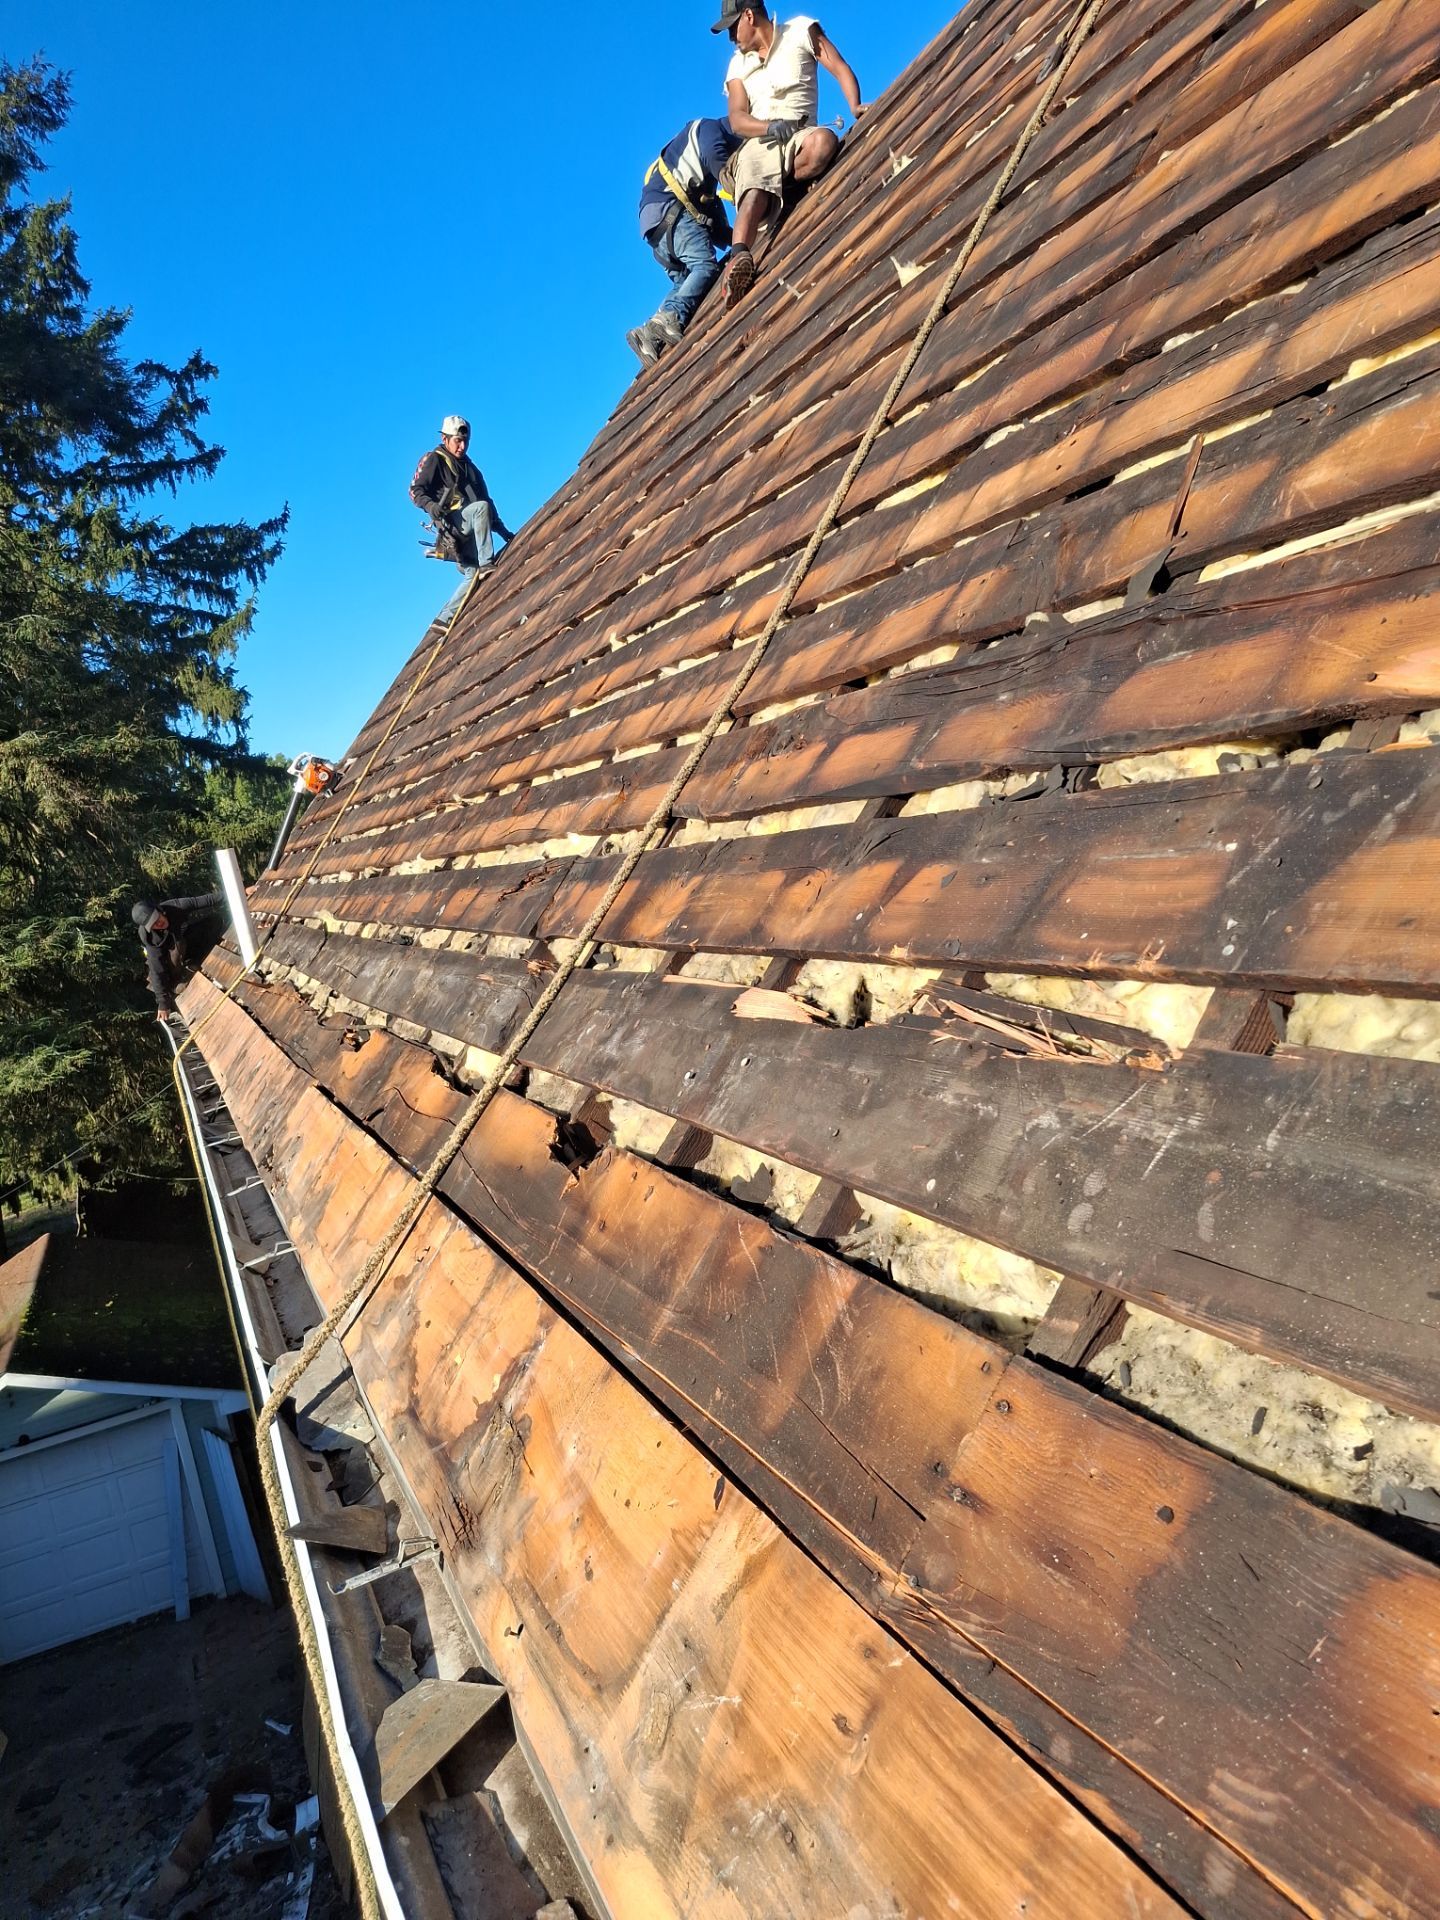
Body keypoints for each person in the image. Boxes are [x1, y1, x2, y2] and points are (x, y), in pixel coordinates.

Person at [711, 1, 863, 307]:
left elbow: (837, 64)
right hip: (760, 142)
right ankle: (740, 257)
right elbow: (738, 119)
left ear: (749, 16)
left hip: (800, 135)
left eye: (732, 27)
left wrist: (855, 106)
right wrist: (768, 127)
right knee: (756, 185)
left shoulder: (800, 30)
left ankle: (785, 188)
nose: (731, 37)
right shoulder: (737, 66)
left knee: (823, 144)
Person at [628, 116, 743, 366]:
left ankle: (649, 334)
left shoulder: (695, 171)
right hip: (670, 212)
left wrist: (743, 235)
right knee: (705, 267)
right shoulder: (709, 129)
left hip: (654, 226)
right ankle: (668, 317)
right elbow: (721, 165)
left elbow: (717, 226)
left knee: (685, 283)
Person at [409, 416, 515, 620]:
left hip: (472, 531)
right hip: (453, 526)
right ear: (445, 438)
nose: (462, 446)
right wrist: (430, 506)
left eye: (465, 441)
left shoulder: (472, 470)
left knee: (471, 575)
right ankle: (486, 563)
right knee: (480, 509)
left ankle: (443, 619)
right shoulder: (434, 459)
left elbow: (487, 502)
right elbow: (415, 490)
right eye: (457, 440)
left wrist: (503, 531)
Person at [131, 892, 226, 1022]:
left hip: (182, 943)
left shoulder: (174, 907)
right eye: (153, 925)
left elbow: (202, 900)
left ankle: (195, 960)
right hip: (168, 960)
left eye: (157, 919)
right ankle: (176, 980)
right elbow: (157, 969)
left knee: (214, 921)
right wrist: (163, 1003)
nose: (158, 924)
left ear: (159, 910)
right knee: (170, 959)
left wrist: (239, 892)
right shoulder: (150, 938)